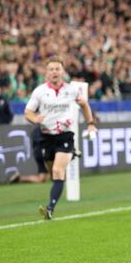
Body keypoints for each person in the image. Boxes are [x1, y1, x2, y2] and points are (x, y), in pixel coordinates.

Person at [24, 57, 97, 219]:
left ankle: (50, 209)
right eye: (51, 69)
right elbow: (27, 112)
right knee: (53, 173)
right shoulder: (40, 91)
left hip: (65, 135)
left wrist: (90, 123)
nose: (54, 72)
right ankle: (72, 154)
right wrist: (35, 119)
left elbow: (84, 105)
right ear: (46, 73)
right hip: (46, 137)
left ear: (63, 72)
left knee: (58, 171)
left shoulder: (71, 90)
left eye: (57, 69)